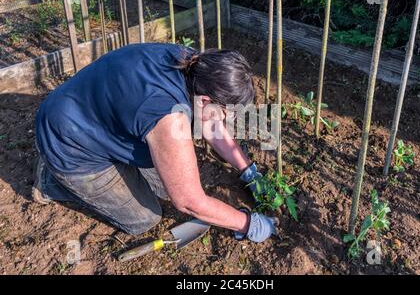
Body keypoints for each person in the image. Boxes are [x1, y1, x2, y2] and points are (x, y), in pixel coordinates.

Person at [33, 43, 277, 243]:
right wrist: (247, 223)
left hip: (99, 114)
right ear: (204, 100)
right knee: (144, 218)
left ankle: (118, 163)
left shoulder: (193, 64)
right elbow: (189, 202)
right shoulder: (168, 117)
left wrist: (249, 171)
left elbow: (210, 124)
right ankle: (52, 181)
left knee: (164, 187)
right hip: (69, 142)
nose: (226, 119)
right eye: (226, 112)